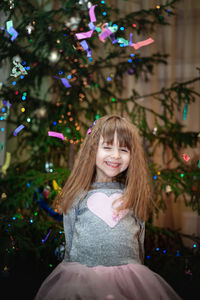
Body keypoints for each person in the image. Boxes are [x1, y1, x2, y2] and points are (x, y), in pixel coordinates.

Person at [35, 115, 181, 300]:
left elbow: (139, 239)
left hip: (128, 280)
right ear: (92, 150)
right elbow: (70, 237)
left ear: (132, 155)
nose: (116, 155)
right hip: (81, 279)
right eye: (107, 147)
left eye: (123, 149)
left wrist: (138, 271)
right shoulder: (78, 194)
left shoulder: (132, 194)